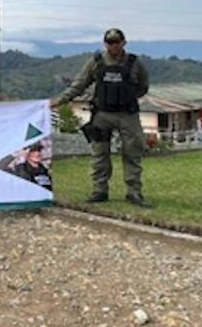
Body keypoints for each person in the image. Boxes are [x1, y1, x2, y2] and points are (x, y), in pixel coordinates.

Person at [50, 27, 151, 206]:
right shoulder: (96, 62)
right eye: (109, 42)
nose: (113, 46)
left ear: (123, 42)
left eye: (116, 42)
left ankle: (134, 192)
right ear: (105, 44)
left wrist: (127, 98)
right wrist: (61, 100)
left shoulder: (134, 63)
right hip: (102, 114)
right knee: (99, 154)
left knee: (132, 153)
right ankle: (100, 190)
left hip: (127, 115)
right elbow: (79, 84)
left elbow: (143, 87)